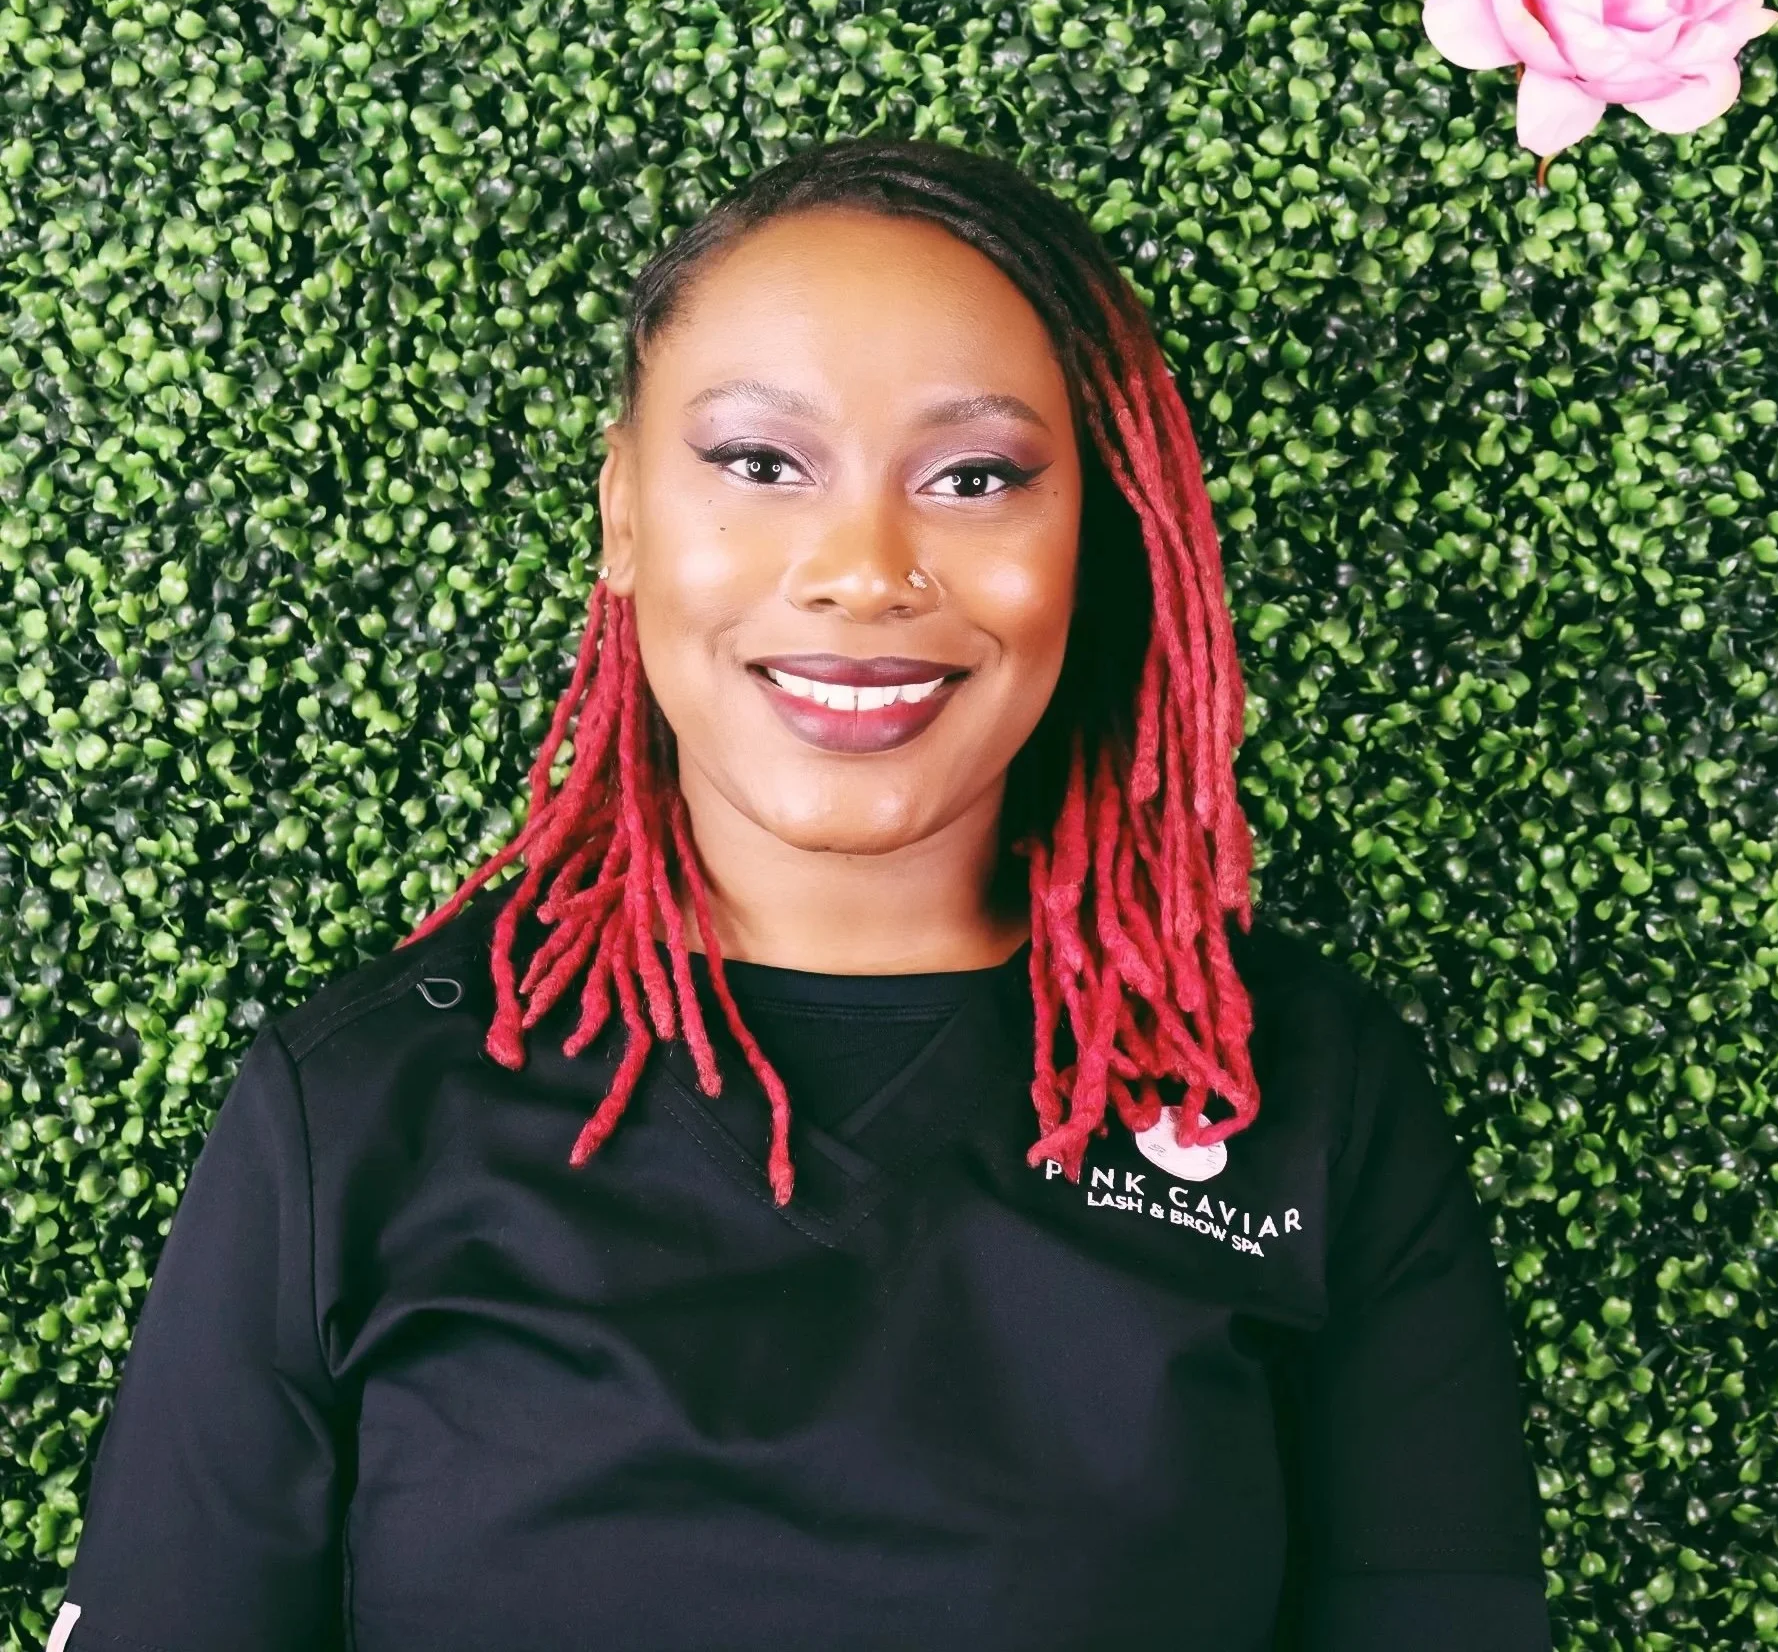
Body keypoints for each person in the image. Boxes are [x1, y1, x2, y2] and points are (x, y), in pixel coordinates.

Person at [48, 138, 1552, 1651]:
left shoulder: (1297, 1087)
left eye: (977, 476)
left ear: (1093, 537)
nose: (862, 569)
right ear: (623, 515)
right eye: (760, 464)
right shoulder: (358, 1108)